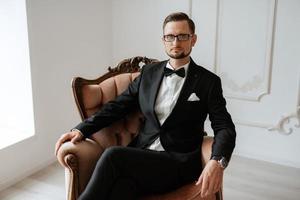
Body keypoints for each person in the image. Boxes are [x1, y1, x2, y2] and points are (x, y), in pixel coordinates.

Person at [55, 12, 236, 200]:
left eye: (183, 36)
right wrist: (82, 129)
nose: (176, 42)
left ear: (193, 39)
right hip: (143, 156)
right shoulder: (149, 73)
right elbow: (117, 106)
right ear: (163, 40)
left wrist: (217, 161)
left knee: (113, 156)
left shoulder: (209, 82)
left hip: (178, 163)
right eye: (170, 37)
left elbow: (225, 127)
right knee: (121, 188)